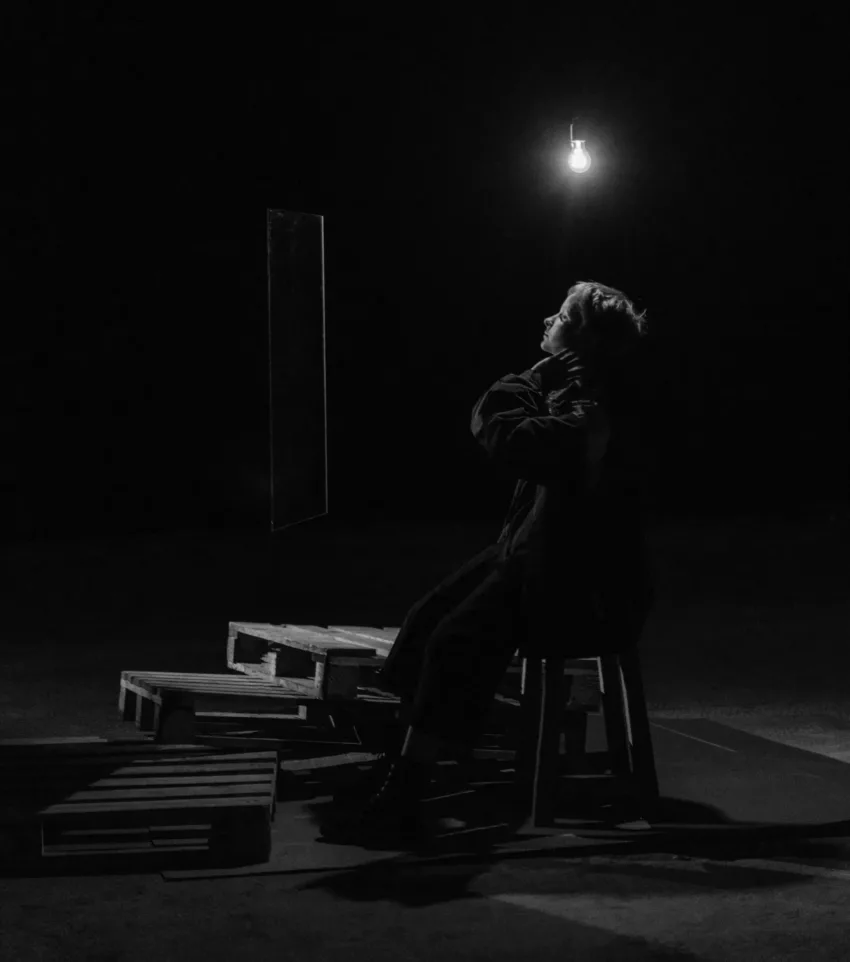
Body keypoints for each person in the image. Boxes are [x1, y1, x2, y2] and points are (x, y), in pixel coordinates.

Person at [320, 280, 655, 848]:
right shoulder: (581, 399)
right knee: (428, 616)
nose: (549, 318)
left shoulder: (592, 415)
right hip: (544, 561)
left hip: (578, 588)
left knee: (456, 641)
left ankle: (405, 792)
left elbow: (502, 433)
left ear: (584, 340)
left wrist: (532, 377)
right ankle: (406, 760)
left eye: (563, 315)